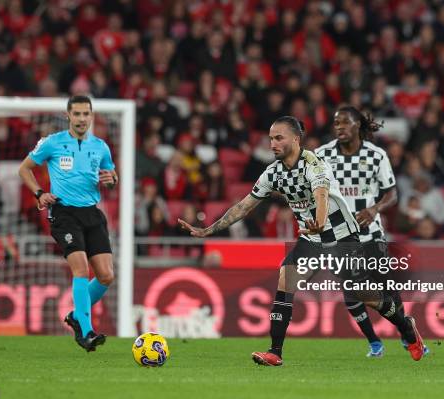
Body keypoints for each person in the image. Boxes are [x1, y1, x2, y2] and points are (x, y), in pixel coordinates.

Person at [179, 116, 426, 366]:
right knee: (286, 279)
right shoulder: (273, 173)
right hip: (311, 238)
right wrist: (208, 229)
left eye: (279, 138)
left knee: (363, 295)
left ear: (296, 139)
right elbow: (244, 206)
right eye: (270, 139)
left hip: (341, 236)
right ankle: (275, 352)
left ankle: (406, 327)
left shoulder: (314, 164)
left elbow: (321, 195)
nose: (272, 144)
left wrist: (319, 220)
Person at [316, 106, 429, 358]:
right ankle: (375, 342)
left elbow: (392, 193)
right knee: (352, 289)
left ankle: (406, 333)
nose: (340, 128)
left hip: (371, 233)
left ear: (357, 125)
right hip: (338, 235)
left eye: (345, 123)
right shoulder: (322, 155)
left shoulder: (376, 155)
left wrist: (374, 208)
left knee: (385, 287)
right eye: (336, 124)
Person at [18, 95, 118, 352]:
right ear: (68, 116)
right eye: (77, 114)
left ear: (91, 116)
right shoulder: (52, 143)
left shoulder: (101, 147)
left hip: (92, 214)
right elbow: (24, 169)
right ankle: (86, 332)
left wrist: (111, 180)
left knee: (106, 275)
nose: (82, 119)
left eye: (86, 114)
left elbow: (111, 174)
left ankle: (76, 316)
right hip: (64, 214)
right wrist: (39, 193)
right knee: (81, 270)